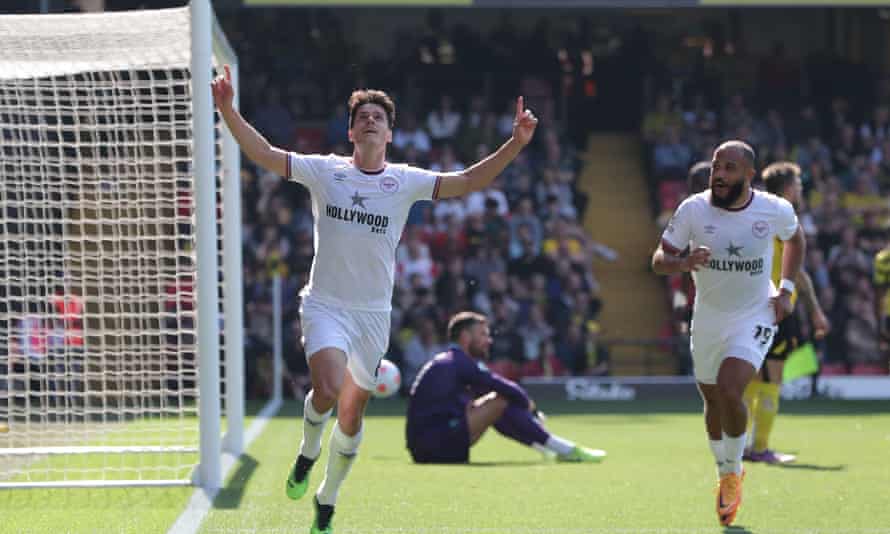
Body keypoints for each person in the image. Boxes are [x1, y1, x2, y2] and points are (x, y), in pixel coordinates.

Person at [211, 65, 538, 534]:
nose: (369, 121)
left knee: (350, 415)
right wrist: (228, 109)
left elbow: (467, 180)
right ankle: (307, 452)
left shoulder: (405, 180)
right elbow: (263, 153)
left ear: (389, 134)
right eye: (361, 116)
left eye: (377, 117)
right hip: (325, 305)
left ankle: (328, 497)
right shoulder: (326, 171)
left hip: (372, 316)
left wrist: (516, 144)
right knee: (327, 389)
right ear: (350, 131)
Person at [651, 141, 804, 526]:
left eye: (729, 168)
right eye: (716, 166)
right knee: (713, 402)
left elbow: (796, 239)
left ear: (749, 174)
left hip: (755, 314)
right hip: (708, 317)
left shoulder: (773, 209)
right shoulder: (693, 209)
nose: (719, 174)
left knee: (730, 389)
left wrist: (786, 290)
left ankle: (733, 473)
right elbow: (658, 260)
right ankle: (723, 472)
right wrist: (684, 262)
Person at [405, 311, 606, 464]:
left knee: (496, 405)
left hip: (426, 446)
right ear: (465, 337)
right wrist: (531, 408)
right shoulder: (459, 361)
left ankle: (549, 448)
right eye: (483, 334)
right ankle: (565, 449)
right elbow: (505, 387)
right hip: (435, 444)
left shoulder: (451, 360)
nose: (489, 340)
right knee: (499, 401)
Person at [743, 162, 830, 464]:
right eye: (799, 185)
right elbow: (797, 273)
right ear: (789, 188)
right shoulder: (784, 218)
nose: (801, 190)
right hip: (778, 308)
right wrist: (815, 311)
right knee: (771, 381)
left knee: (753, 379)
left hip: (753, 307)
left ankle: (741, 446)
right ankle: (759, 448)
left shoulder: (757, 215)